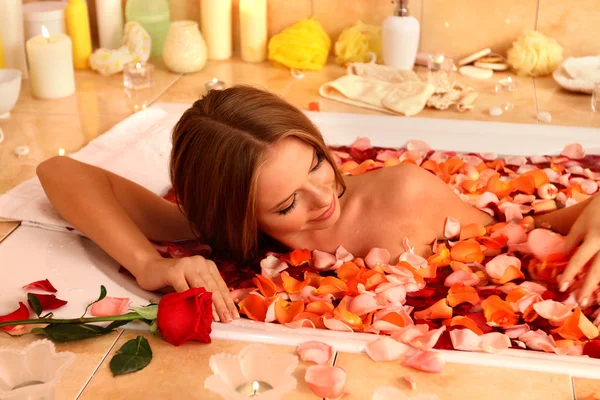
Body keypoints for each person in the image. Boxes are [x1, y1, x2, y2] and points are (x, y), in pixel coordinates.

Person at [37, 86, 600, 324]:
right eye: (286, 204)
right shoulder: (222, 234)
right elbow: (58, 171)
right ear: (241, 219)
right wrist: (150, 263)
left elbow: (523, 230)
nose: (324, 197)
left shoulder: (404, 196)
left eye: (316, 163)